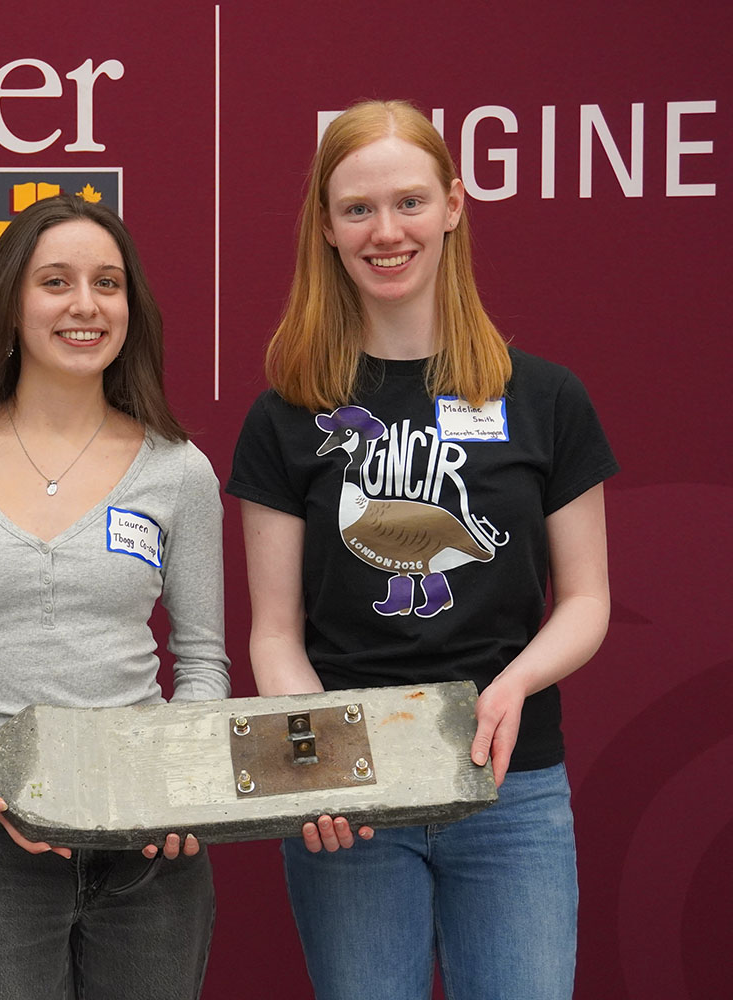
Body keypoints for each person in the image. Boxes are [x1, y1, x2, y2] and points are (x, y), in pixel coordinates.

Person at [226, 100, 617, 1000]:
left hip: (509, 789)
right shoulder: (286, 417)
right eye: (358, 209)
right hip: (353, 803)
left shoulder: (545, 398)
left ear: (452, 205)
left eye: (409, 202)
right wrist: (318, 762)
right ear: (327, 228)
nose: (386, 231)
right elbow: (275, 633)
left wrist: (513, 685)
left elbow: (586, 599)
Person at [0, 194, 230, 1000]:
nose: (85, 305)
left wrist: (180, 777)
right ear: (9, 303)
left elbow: (204, 661)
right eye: (55, 282)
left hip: (148, 843)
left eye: (107, 283)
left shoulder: (179, 471)